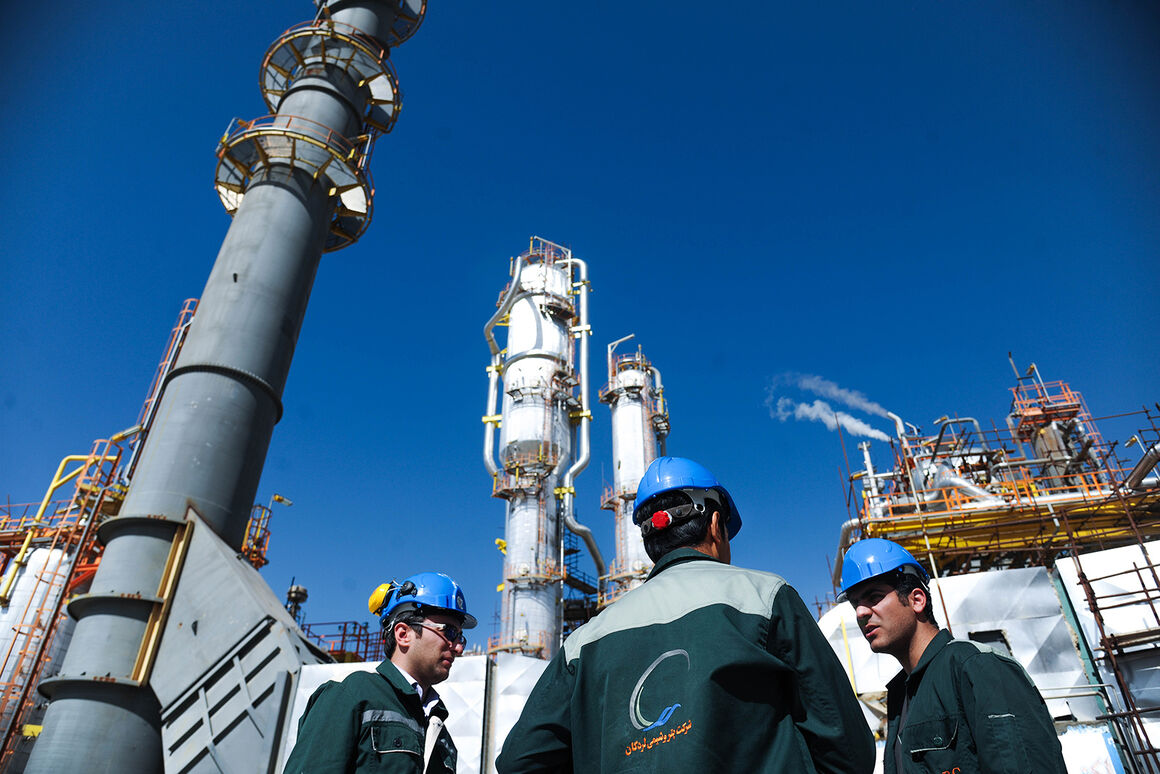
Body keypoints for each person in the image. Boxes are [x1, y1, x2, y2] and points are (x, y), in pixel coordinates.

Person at [496, 456, 875, 773]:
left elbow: (519, 761)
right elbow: (846, 746)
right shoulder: (766, 597)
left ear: (650, 544)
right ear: (716, 525)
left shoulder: (583, 642)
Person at [838, 538, 1066, 774]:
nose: (861, 613)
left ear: (917, 600)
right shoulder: (900, 696)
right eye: (855, 604)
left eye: (874, 597)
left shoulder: (978, 667)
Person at [283, 571, 476, 773]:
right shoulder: (352, 694)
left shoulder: (441, 735)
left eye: (460, 637)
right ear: (403, 634)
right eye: (449, 632)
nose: (458, 648)